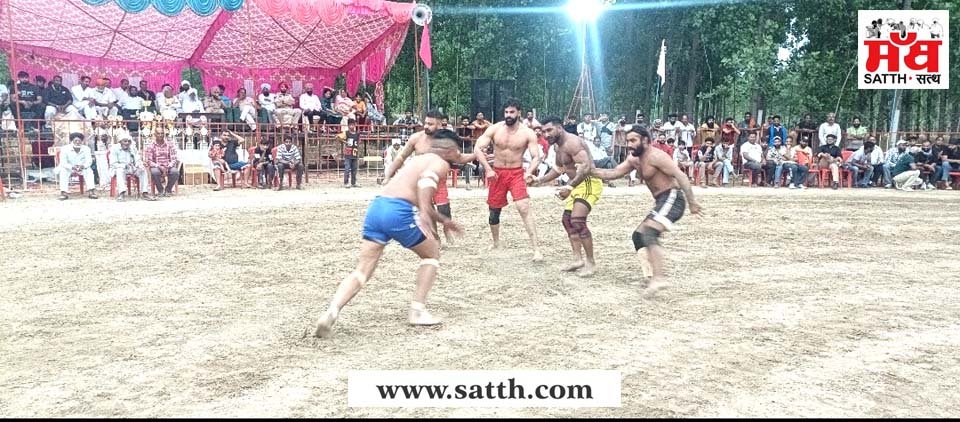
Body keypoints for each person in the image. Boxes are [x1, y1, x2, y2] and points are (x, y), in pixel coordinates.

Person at [308, 130, 467, 338]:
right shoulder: (440, 163)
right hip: (399, 211)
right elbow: (425, 184)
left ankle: (331, 311)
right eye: (458, 152)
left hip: (377, 207)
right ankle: (417, 310)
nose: (459, 156)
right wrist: (431, 215)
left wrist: (435, 216)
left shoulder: (417, 160)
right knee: (432, 254)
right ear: (450, 150)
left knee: (361, 271)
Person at [589, 126, 703, 298]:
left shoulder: (657, 156)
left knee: (649, 232)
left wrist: (692, 202)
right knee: (639, 236)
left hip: (673, 199)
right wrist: (589, 171)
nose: (629, 144)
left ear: (645, 140)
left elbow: (681, 176)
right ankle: (649, 276)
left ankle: (659, 278)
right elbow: (613, 173)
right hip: (662, 201)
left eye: (633, 140)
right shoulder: (634, 159)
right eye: (628, 141)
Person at [383, 109, 475, 245]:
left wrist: (476, 155)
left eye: (430, 124)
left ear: (439, 125)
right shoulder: (416, 138)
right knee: (426, 208)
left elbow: (459, 157)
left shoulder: (445, 140)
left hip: (438, 180)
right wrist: (388, 176)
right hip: (420, 181)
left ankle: (446, 230)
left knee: (444, 209)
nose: (426, 126)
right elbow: (401, 157)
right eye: (425, 123)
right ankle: (435, 237)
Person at [528, 116, 602, 277]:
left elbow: (585, 168)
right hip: (576, 185)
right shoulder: (557, 147)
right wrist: (539, 180)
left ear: (559, 128)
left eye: (549, 130)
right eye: (543, 131)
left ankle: (591, 263)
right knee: (567, 220)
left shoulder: (573, 143)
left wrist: (569, 187)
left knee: (578, 221)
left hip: (588, 182)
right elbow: (559, 169)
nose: (546, 135)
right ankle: (577, 259)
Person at [473, 99, 544, 261]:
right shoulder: (495, 129)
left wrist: (529, 172)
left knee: (523, 207)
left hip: (516, 173)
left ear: (519, 113)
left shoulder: (527, 133)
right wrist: (488, 169)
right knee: (494, 211)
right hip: (497, 173)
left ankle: (536, 249)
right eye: (506, 112)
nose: (508, 115)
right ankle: (496, 242)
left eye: (512, 112)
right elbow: (478, 148)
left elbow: (536, 157)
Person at [109, 136, 154, 201]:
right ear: (120, 142)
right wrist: (124, 165)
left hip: (132, 167)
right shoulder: (115, 149)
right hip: (119, 168)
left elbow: (137, 159)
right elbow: (113, 163)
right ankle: (121, 193)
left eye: (129, 141)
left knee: (143, 170)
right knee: (120, 171)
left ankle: (145, 193)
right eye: (125, 141)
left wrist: (139, 165)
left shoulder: (132, 148)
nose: (127, 143)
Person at [57, 133, 98, 200]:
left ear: (82, 141)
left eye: (79, 141)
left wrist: (83, 166)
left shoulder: (86, 149)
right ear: (71, 141)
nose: (77, 142)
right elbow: (63, 162)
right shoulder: (65, 149)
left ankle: (91, 191)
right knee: (63, 171)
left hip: (82, 167)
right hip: (69, 167)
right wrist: (72, 167)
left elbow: (89, 161)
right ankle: (63, 192)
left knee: (89, 171)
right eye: (75, 141)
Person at [146, 129, 180, 196]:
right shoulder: (151, 146)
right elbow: (149, 160)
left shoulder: (169, 145)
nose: (160, 135)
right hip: (156, 166)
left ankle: (168, 190)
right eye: (158, 133)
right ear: (155, 135)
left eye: (162, 133)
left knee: (175, 172)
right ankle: (160, 190)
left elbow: (174, 159)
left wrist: (168, 166)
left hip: (168, 166)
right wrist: (159, 166)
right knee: (155, 172)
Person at [341, 119, 360, 188]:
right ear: (348, 126)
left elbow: (358, 142)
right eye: (350, 125)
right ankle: (346, 182)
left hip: (354, 153)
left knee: (354, 169)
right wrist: (345, 142)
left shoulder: (357, 134)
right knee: (347, 169)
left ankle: (353, 182)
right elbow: (338, 137)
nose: (351, 126)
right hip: (348, 154)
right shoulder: (346, 133)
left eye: (352, 125)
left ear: (355, 125)